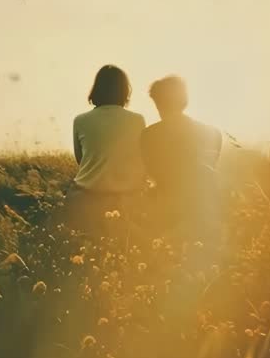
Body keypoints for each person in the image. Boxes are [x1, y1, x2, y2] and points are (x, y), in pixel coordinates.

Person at [140, 75, 223, 239]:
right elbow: (209, 168)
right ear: (184, 100)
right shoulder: (213, 133)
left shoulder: (148, 135)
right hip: (205, 211)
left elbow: (151, 171)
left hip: (166, 212)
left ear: (157, 103)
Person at [67, 65, 146, 233]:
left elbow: (81, 160)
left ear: (96, 89)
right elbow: (140, 157)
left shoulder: (80, 120)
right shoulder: (137, 120)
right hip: (127, 197)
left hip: (86, 197)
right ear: (125, 90)